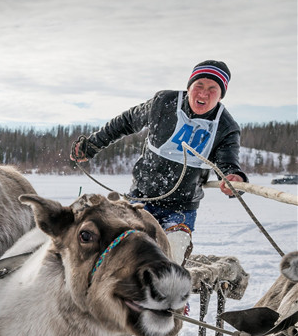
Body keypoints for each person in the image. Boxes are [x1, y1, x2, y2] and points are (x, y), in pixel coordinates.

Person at [70, 60, 247, 263]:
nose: (203, 94)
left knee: (173, 253)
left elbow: (229, 164)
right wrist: (91, 145)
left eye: (212, 89)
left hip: (181, 207)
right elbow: (125, 122)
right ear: (189, 87)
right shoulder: (163, 103)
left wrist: (235, 179)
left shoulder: (226, 127)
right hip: (142, 197)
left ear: (221, 95)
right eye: (199, 85)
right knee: (123, 252)